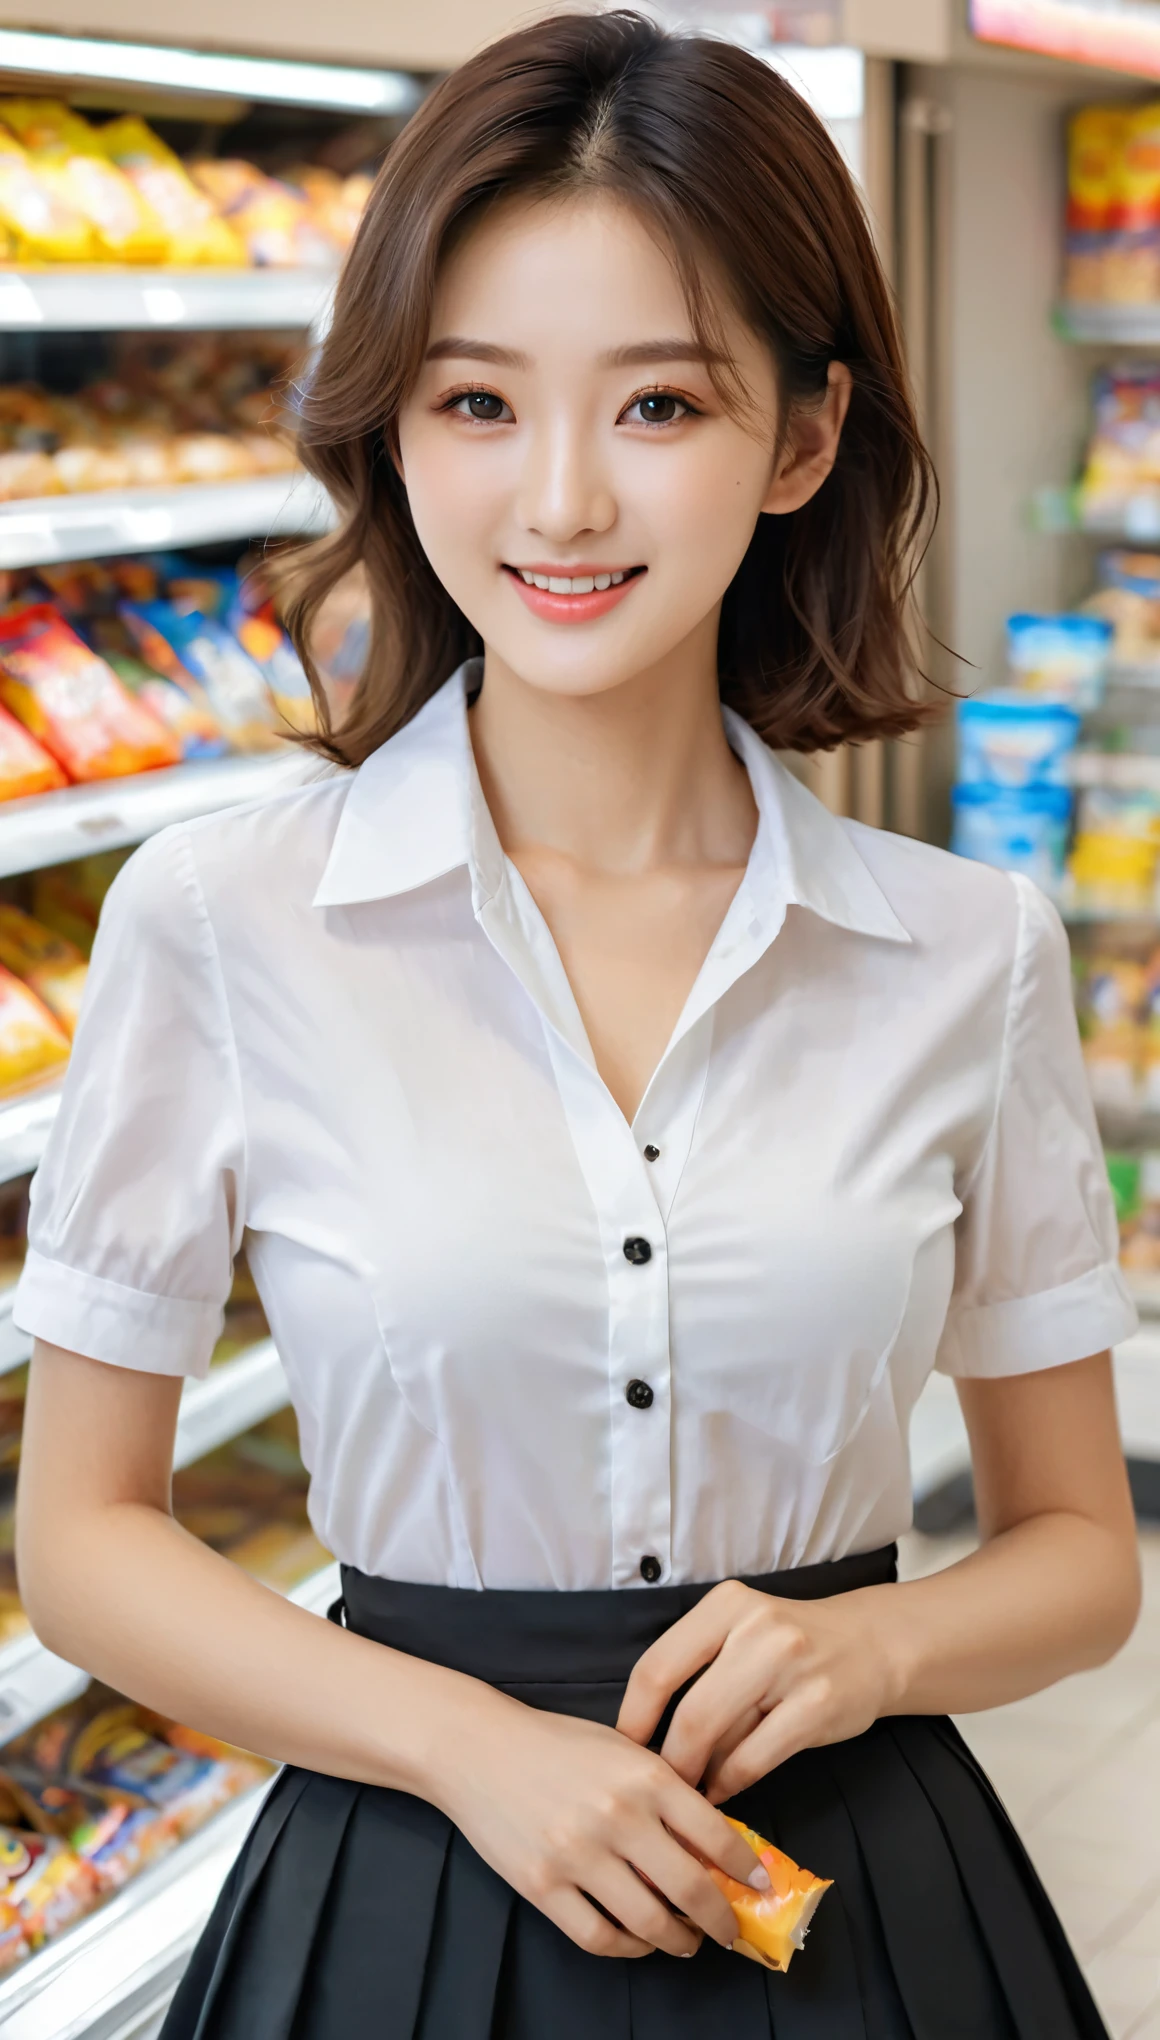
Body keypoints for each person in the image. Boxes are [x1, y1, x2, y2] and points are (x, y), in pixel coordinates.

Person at [12, 13, 1141, 2037]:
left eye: (656, 406)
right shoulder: (225, 921)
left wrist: (875, 1652)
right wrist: (470, 1748)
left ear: (799, 440)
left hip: (849, 1888)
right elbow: (87, 1538)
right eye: (473, 400)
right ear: (390, 426)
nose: (556, 499)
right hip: (395, 1888)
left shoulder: (961, 955)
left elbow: (1075, 1548)